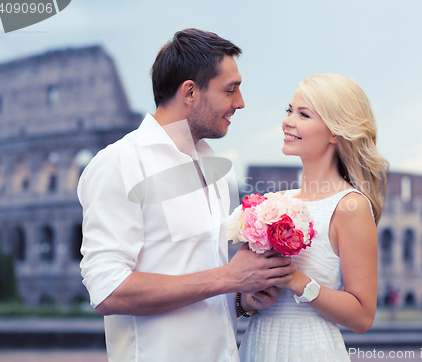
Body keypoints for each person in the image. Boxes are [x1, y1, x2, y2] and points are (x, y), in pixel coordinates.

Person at [77, 28, 295, 362]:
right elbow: (108, 291)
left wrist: (243, 300)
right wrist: (227, 278)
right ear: (190, 92)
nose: (240, 102)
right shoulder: (119, 163)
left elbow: (208, 285)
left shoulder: (215, 170)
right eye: (230, 89)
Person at [239, 73, 388, 361]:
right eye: (289, 110)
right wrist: (251, 298)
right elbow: (248, 296)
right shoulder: (272, 203)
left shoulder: (350, 206)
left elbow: (363, 316)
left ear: (335, 132)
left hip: (310, 348)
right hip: (258, 344)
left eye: (303, 114)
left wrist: (297, 281)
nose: (288, 121)